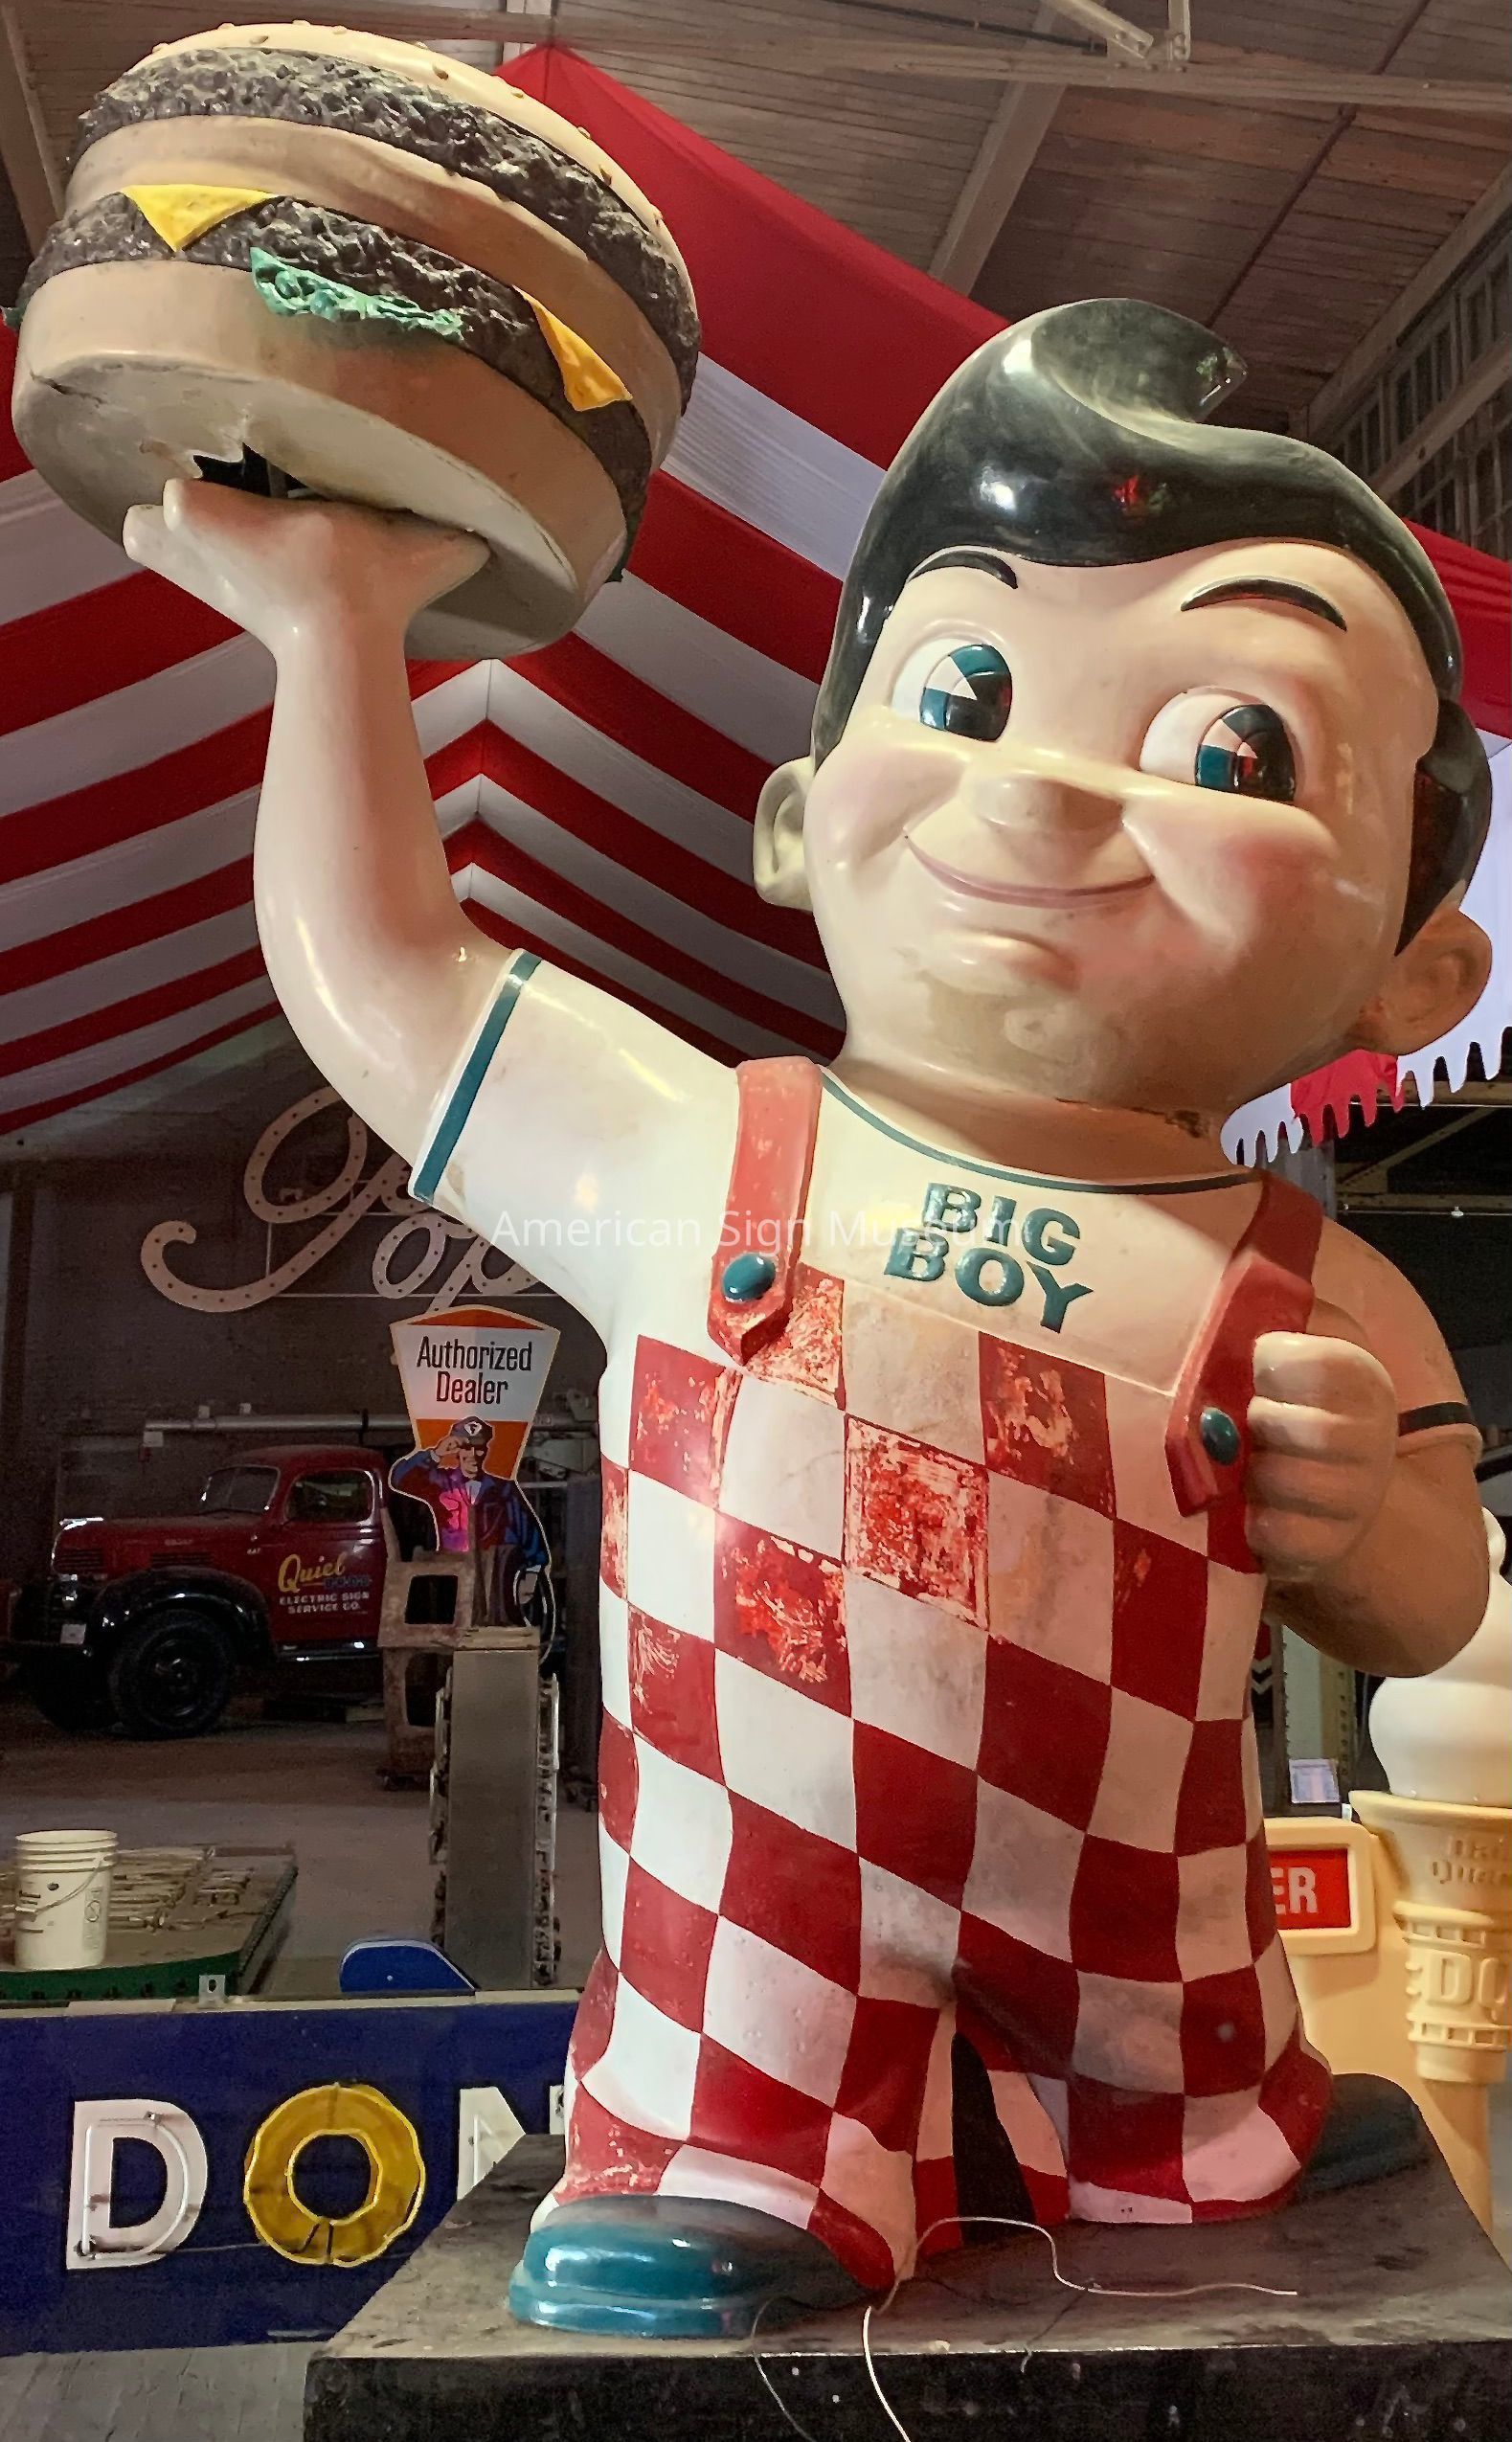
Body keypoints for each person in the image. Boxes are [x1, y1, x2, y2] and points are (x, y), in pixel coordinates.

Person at [125, 297, 1492, 2335]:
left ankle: (1192, 2117)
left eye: (1229, 750)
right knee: (749, 2061)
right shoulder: (688, 1146)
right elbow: (391, 971)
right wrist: (333, 635)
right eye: (965, 689)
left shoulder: (1315, 1281)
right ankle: (745, 2152)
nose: (1041, 798)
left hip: (1151, 1933)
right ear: (796, 814)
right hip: (762, 1927)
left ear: (1410, 973)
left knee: (1190, 2094)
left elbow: (1430, 1601)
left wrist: (1359, 1516)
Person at [391, 1417, 548, 1627]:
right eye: (466, 1449)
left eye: (479, 1449)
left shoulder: (503, 1490)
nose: (473, 1456)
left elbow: (528, 1531)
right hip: (453, 1577)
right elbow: (400, 1479)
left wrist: (532, 1573)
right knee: (452, 1629)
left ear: (486, 1451)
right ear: (457, 1451)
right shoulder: (441, 1483)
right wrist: (435, 1454)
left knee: (494, 1629)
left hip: (496, 1581)